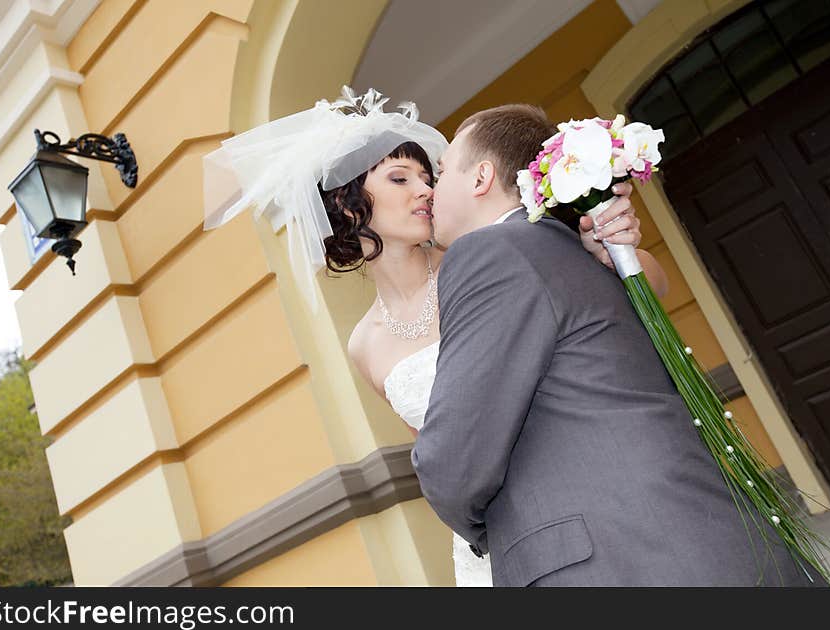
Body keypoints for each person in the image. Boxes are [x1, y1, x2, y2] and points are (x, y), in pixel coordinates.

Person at [202, 87, 666, 587]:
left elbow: (643, 293)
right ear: (349, 204)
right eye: (400, 178)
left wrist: (612, 251)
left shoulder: (489, 264)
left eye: (429, 178)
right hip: (489, 546)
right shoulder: (364, 345)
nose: (425, 190)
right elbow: (439, 457)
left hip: (583, 505)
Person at [411, 103, 825, 586]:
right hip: (713, 531)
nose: (430, 191)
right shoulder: (584, 249)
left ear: (481, 177)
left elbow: (452, 459)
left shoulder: (488, 253)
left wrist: (491, 529)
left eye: (439, 173)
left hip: (619, 560)